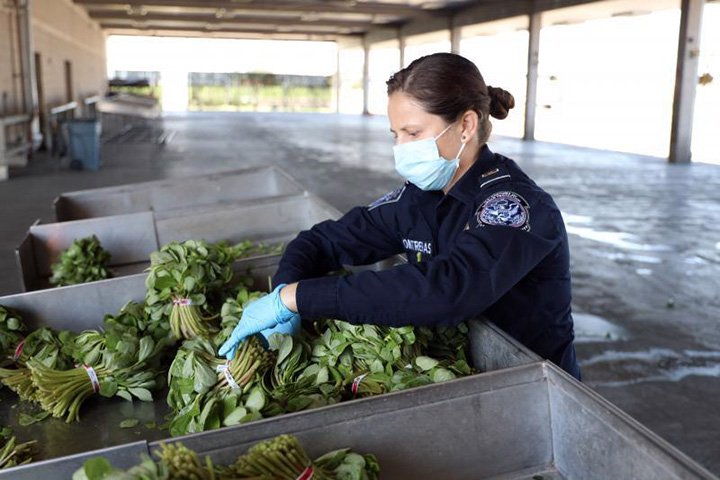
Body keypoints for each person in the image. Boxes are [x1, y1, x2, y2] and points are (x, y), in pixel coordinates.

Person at [219, 52, 581, 380]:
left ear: (466, 126)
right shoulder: (418, 197)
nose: (401, 148)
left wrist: (298, 297)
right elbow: (320, 242)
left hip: (533, 386)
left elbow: (446, 289)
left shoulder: (514, 206)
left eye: (413, 133)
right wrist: (283, 297)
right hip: (462, 377)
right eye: (396, 135)